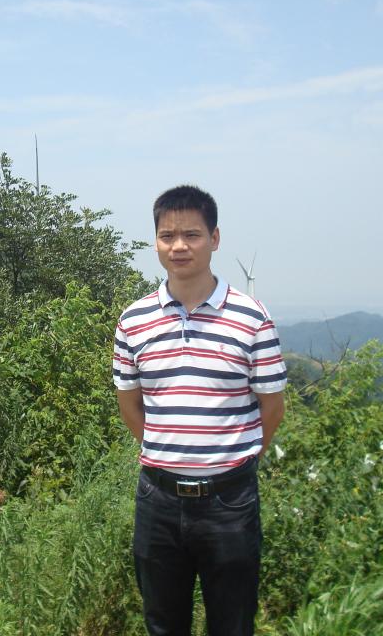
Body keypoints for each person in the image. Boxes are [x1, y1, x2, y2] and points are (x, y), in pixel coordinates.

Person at [113, 185, 286, 636]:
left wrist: (235, 459)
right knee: (162, 624)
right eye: (167, 235)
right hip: (157, 500)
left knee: (232, 624)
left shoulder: (252, 318)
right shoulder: (133, 320)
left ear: (215, 238)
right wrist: (168, 451)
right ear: (155, 242)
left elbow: (272, 407)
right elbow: (129, 403)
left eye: (192, 234)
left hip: (230, 501)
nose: (179, 246)